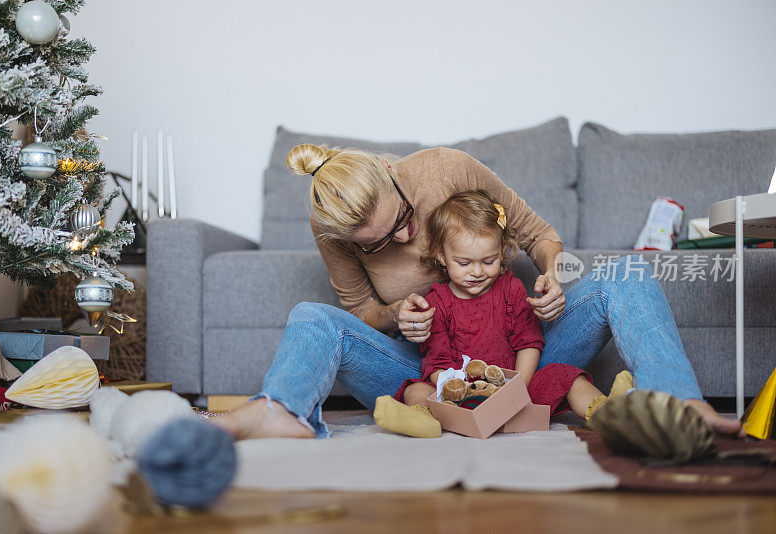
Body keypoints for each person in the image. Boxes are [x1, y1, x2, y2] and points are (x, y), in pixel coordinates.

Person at [212, 144, 742, 440]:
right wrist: (396, 313)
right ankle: (278, 409)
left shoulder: (445, 168)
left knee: (628, 275)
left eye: (403, 218)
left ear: (393, 176)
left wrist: (552, 275)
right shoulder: (331, 227)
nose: (404, 239)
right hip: (426, 365)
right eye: (380, 245)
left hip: (521, 351)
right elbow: (360, 311)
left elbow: (538, 234)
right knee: (313, 315)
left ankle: (680, 404)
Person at [374, 191, 632, 438]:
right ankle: (421, 420)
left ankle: (608, 413)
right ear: (442, 256)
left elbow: (529, 342)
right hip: (459, 393)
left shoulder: (511, 289)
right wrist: (460, 391)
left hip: (514, 386)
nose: (477, 272)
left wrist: (517, 387)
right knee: (416, 388)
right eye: (464, 264)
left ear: (502, 252)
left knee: (566, 376)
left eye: (489, 261)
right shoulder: (436, 301)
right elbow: (436, 362)